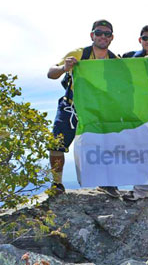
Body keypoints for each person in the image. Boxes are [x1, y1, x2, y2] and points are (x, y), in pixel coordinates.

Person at [47, 19, 120, 198]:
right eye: (99, 33)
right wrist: (65, 67)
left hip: (98, 109)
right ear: (92, 35)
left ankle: (106, 182)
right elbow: (51, 73)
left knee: (105, 145)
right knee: (57, 144)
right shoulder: (79, 54)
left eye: (107, 34)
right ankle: (57, 183)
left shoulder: (115, 60)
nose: (102, 36)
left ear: (112, 37)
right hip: (71, 106)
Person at [120, 24, 148, 201]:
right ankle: (138, 191)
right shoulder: (128, 58)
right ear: (140, 40)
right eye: (145, 38)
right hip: (135, 114)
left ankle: (141, 190)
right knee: (135, 153)